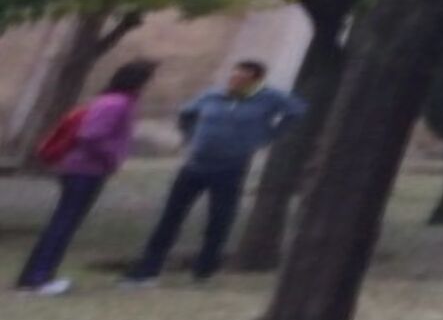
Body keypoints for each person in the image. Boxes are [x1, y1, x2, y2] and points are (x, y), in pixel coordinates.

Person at [123, 59, 306, 286]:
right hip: (195, 165)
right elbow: (187, 114)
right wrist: (191, 137)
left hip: (230, 168)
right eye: (233, 76)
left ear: (256, 81)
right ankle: (148, 268)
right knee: (170, 217)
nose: (234, 81)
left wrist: (268, 135)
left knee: (219, 220)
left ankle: (204, 269)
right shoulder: (213, 96)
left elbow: (296, 111)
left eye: (242, 78)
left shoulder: (268, 99)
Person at [17, 60, 155, 295]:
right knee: (64, 223)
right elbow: (90, 135)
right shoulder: (117, 103)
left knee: (63, 222)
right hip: (85, 170)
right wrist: (111, 158)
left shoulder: (110, 101)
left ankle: (34, 275)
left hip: (83, 169)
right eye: (145, 81)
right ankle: (38, 277)